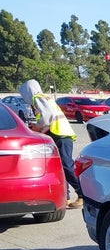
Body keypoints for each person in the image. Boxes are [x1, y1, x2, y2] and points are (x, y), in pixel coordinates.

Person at [18, 79, 82, 209]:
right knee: (61, 168)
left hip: (61, 135)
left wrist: (37, 127)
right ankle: (66, 198)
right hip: (58, 135)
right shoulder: (44, 98)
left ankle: (83, 195)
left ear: (28, 91)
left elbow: (47, 116)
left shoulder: (38, 98)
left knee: (66, 166)